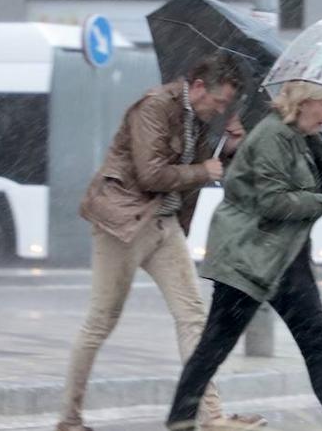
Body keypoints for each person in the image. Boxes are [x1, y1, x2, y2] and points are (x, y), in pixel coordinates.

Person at [165, 81, 322, 431]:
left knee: (318, 344)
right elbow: (272, 202)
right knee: (216, 344)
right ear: (304, 102)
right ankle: (180, 420)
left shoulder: (301, 138)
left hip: (288, 259)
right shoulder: (271, 136)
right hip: (249, 256)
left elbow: (308, 189)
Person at [58, 53, 266, 431]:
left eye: (225, 104)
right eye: (218, 101)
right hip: (123, 224)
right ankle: (69, 418)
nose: (220, 109)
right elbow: (150, 173)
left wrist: (229, 148)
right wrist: (203, 170)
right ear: (198, 87)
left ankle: (212, 416)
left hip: (164, 226)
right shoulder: (154, 107)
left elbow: (206, 170)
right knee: (102, 320)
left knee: (192, 316)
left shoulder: (198, 120)